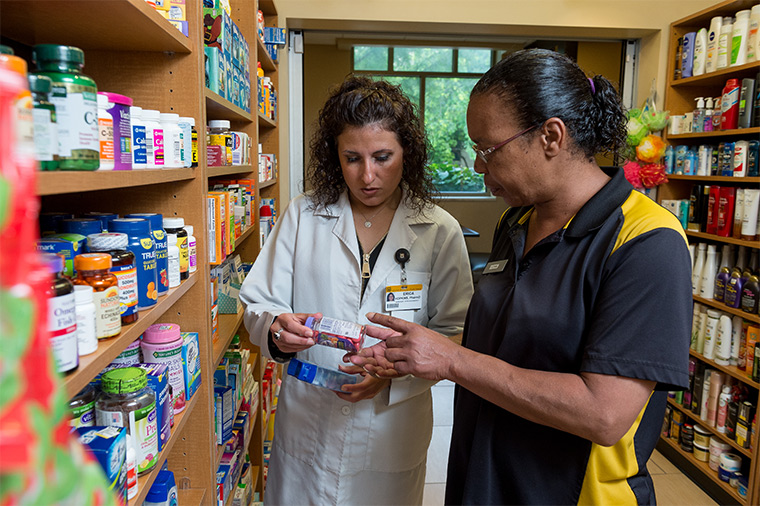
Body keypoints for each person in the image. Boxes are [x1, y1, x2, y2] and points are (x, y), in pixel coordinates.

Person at [350, 49, 692, 505]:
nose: (477, 167)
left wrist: (452, 360)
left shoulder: (647, 242)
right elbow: (504, 348)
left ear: (551, 136)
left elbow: (604, 413)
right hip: (485, 479)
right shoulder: (515, 223)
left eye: (488, 150)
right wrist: (409, 355)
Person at [239, 75, 474, 505]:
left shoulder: (440, 230)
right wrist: (276, 328)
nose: (368, 175)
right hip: (310, 422)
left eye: (383, 157)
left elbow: (456, 333)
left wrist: (394, 374)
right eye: (352, 158)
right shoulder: (304, 215)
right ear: (335, 156)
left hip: (390, 430)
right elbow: (257, 303)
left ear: (408, 153)